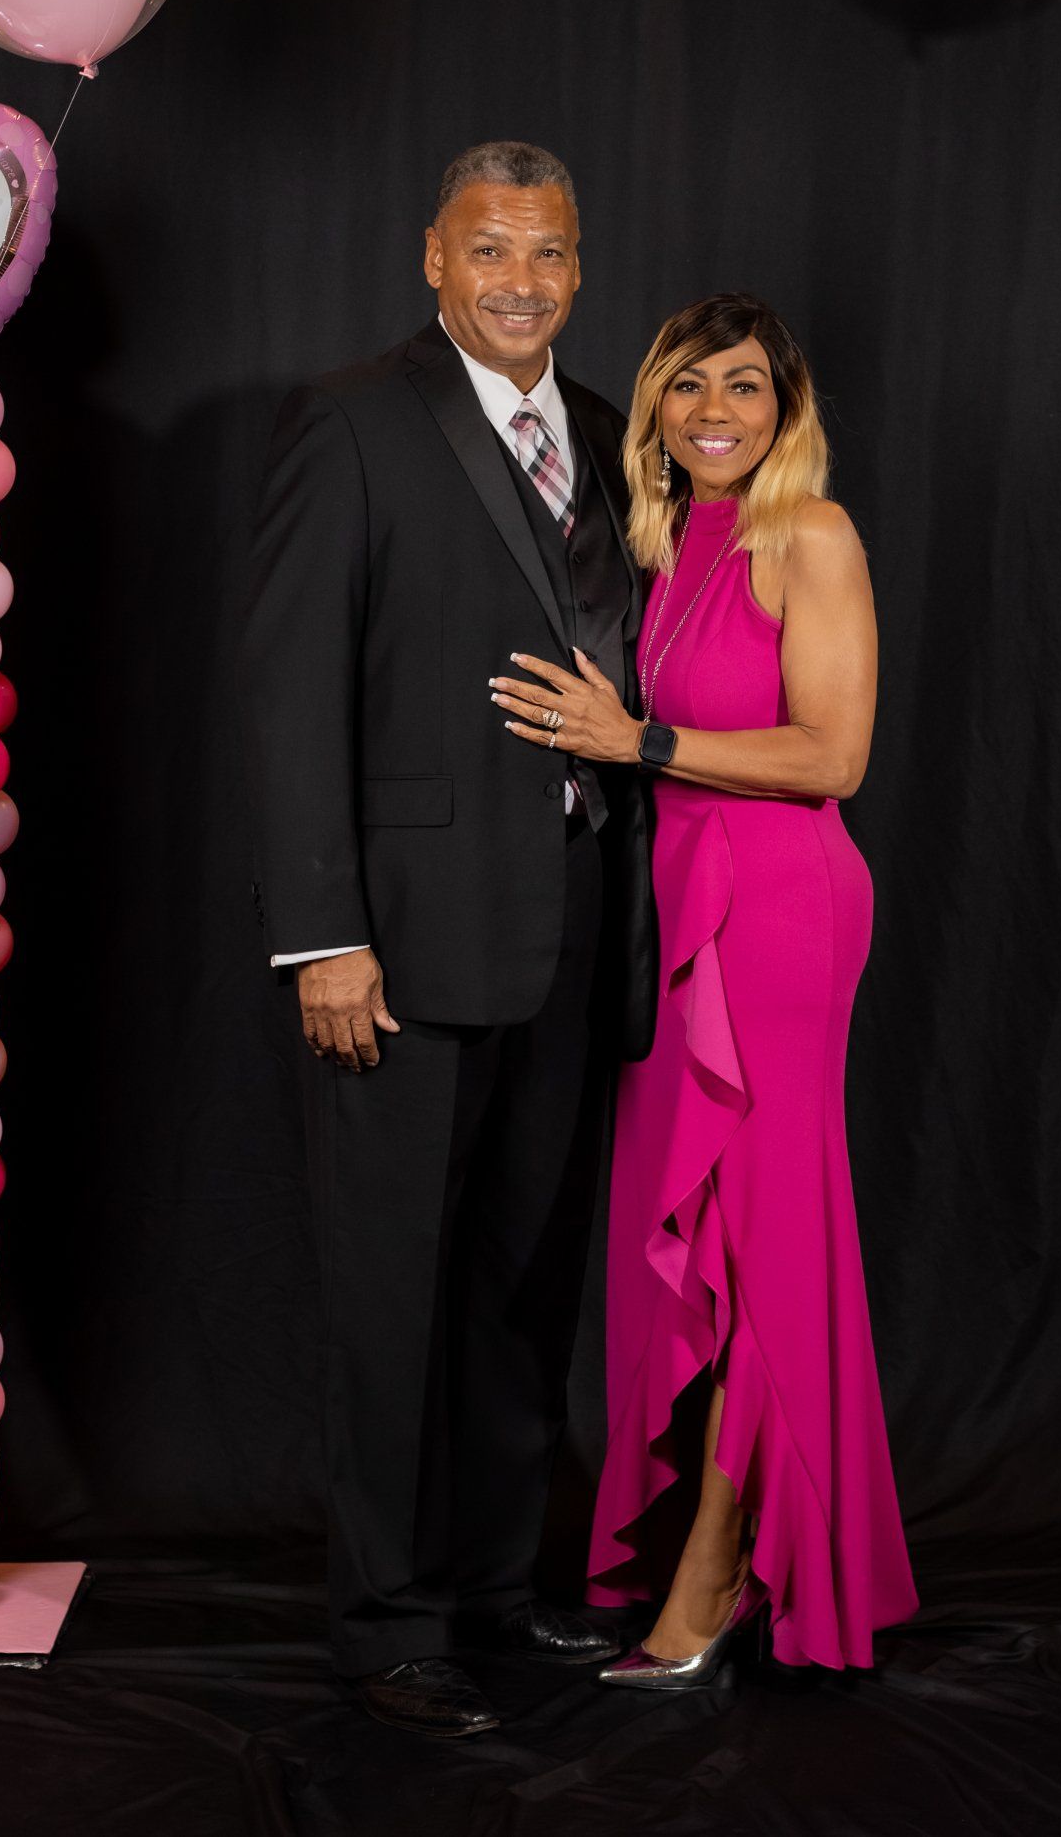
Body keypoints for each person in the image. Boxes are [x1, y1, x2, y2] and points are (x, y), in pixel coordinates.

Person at [243, 142, 656, 1738]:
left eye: (549, 252)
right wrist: (323, 935)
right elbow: (291, 692)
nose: (521, 281)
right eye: (490, 249)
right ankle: (389, 1623)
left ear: (580, 263)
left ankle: (493, 1585)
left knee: (522, 1285)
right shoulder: (351, 420)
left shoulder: (610, 432)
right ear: (433, 256)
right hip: (401, 945)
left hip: (574, 926)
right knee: (392, 1292)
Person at [488, 292, 917, 1684]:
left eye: (743, 385)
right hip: (670, 912)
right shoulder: (659, 544)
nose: (714, 411)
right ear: (656, 408)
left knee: (766, 1242)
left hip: (780, 909)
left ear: (786, 408)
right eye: (688, 385)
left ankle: (717, 1573)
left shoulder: (810, 535)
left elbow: (833, 756)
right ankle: (717, 1549)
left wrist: (642, 740)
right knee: (703, 1242)